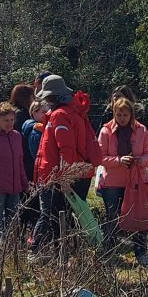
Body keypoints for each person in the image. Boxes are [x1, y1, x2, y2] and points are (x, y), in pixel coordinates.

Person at [30, 75, 95, 256]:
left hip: (60, 176)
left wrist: (64, 178)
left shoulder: (60, 115)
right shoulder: (76, 113)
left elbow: (65, 149)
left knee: (56, 217)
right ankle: (68, 256)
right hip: (77, 173)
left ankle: (57, 257)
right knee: (67, 217)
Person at [97, 98, 148, 266]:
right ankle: (110, 252)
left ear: (131, 114)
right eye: (118, 114)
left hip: (135, 180)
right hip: (113, 182)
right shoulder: (106, 131)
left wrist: (139, 160)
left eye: (125, 114)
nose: (122, 118)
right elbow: (99, 157)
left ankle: (141, 253)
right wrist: (118, 160)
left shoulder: (141, 130)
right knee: (112, 217)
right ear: (114, 113)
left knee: (138, 217)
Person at [20, 101, 49, 231]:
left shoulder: (36, 127)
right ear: (34, 112)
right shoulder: (35, 131)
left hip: (30, 172)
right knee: (35, 208)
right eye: (43, 111)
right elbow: (37, 156)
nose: (47, 114)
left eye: (48, 111)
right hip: (34, 173)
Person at [0, 102, 28, 237]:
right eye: (5, 120)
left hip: (15, 188)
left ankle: (11, 253)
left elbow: (19, 162)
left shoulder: (17, 136)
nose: (9, 123)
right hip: (0, 188)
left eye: (12, 120)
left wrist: (24, 183)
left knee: (12, 223)